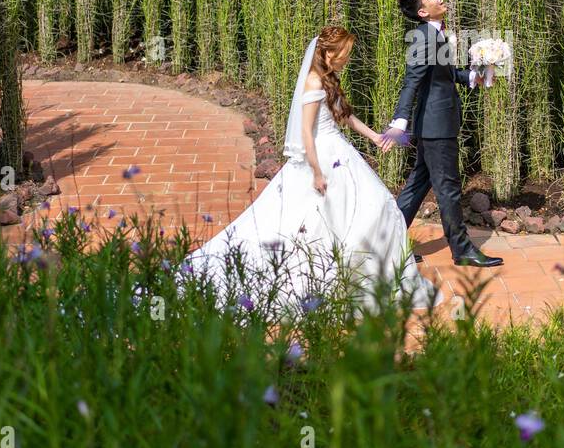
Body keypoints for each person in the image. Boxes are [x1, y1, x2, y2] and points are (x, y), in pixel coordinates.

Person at [186, 26, 438, 315]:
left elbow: (346, 116)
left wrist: (376, 136)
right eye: (344, 53)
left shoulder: (329, 80)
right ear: (328, 52)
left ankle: (363, 272)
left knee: (374, 205)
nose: (347, 58)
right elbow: (306, 131)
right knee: (322, 216)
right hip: (322, 155)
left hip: (339, 151)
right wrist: (316, 171)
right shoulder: (314, 82)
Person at [382, 0, 503, 268]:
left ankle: (386, 243)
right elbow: (412, 80)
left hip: (435, 122)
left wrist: (475, 76)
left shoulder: (435, 33)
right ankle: (461, 250)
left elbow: (443, 77)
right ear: (422, 11)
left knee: (418, 183)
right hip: (436, 125)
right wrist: (399, 119)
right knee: (448, 188)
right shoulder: (424, 37)